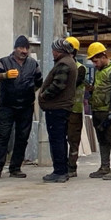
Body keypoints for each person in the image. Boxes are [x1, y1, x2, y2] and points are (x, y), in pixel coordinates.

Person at [0, 35, 43, 179]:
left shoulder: (33, 64)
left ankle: (15, 168)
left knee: (22, 137)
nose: (24, 51)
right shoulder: (4, 62)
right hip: (7, 105)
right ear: (15, 48)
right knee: (2, 136)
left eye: (26, 48)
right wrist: (4, 75)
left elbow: (39, 81)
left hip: (26, 106)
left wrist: (31, 92)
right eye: (21, 48)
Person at [38, 39, 78, 183]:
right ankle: (62, 170)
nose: (52, 52)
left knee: (57, 140)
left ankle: (60, 171)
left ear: (59, 51)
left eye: (54, 50)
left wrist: (44, 95)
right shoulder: (69, 61)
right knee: (60, 138)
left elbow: (58, 85)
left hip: (57, 108)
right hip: (61, 107)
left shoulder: (64, 64)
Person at [86, 42, 111, 180]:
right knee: (102, 140)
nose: (95, 64)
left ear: (103, 56)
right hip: (97, 110)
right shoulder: (100, 71)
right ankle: (104, 167)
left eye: (95, 61)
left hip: (108, 111)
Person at [65, 36, 87, 177]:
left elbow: (69, 86)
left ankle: (71, 167)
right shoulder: (61, 66)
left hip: (74, 110)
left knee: (73, 140)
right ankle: (62, 166)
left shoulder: (80, 69)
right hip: (63, 109)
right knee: (62, 139)